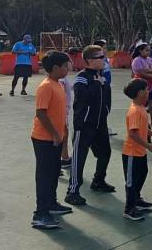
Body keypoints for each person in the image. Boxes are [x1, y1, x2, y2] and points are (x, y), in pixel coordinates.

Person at [66, 45, 114, 206]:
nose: (104, 60)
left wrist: (106, 111)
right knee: (79, 157)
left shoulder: (102, 78)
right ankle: (72, 191)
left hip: (100, 124)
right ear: (90, 60)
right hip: (84, 125)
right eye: (101, 58)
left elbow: (107, 98)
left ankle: (98, 181)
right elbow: (82, 98)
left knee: (105, 153)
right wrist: (96, 84)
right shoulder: (82, 78)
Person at [30, 50, 73, 230]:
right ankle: (40, 214)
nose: (68, 68)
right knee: (45, 176)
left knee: (54, 172)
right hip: (44, 138)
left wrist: (61, 133)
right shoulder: (46, 86)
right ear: (56, 68)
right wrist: (55, 134)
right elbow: (41, 113)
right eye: (65, 65)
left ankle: (52, 203)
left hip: (55, 138)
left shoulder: (58, 84)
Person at [121, 78, 152, 221]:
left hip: (139, 152)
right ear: (140, 93)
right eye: (147, 89)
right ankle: (129, 209)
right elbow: (133, 134)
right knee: (131, 182)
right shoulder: (135, 111)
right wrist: (149, 146)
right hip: (131, 153)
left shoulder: (141, 108)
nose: (148, 92)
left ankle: (136, 199)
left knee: (141, 175)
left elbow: (144, 128)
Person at [131, 43, 152, 124]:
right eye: (146, 50)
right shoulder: (137, 60)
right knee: (141, 103)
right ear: (140, 51)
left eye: (149, 50)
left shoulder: (150, 59)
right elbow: (141, 73)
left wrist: (148, 71)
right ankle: (140, 120)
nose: (148, 52)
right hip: (141, 85)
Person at [94, 40, 116, 136]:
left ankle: (104, 126)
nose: (106, 49)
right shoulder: (97, 61)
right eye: (104, 47)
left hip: (107, 88)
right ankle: (101, 128)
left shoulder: (105, 59)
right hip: (101, 89)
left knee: (106, 108)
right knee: (101, 109)